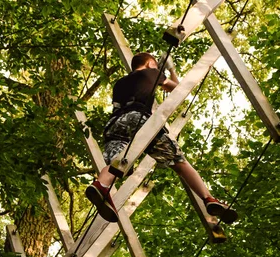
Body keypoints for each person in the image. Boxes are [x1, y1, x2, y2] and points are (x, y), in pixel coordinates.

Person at [86, 52, 237, 224]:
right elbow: (178, 89)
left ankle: (101, 185)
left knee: (117, 163)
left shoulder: (119, 83)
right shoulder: (151, 72)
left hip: (114, 124)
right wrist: (170, 68)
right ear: (150, 64)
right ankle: (208, 198)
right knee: (179, 162)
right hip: (138, 119)